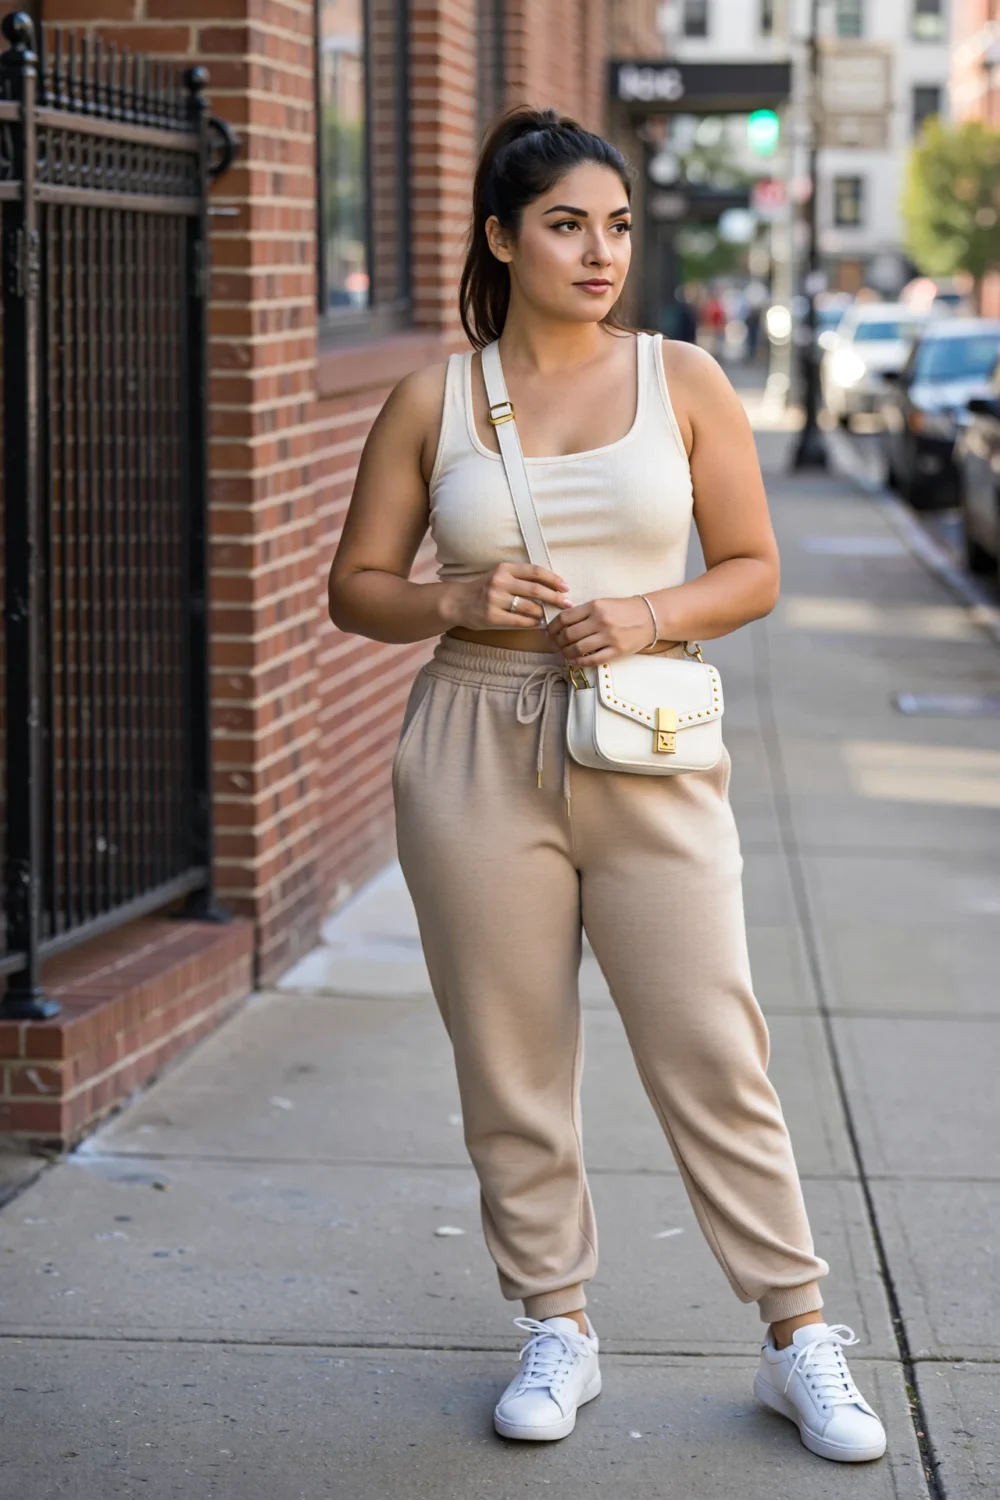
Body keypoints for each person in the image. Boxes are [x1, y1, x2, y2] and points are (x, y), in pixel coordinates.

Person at [327, 106, 886, 1465]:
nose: (599, 252)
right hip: (471, 740)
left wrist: (642, 614)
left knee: (712, 1045)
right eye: (568, 224)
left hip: (644, 737)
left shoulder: (681, 377)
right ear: (502, 237)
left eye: (617, 226)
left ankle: (796, 1332)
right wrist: (451, 594)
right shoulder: (432, 400)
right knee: (512, 1059)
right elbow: (355, 590)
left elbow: (751, 568)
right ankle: (558, 1321)